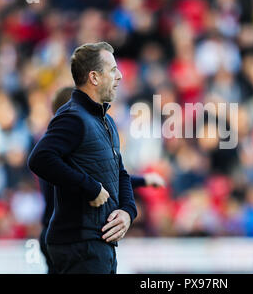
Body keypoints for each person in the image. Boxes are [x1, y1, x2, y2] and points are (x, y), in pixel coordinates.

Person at [28, 42, 137, 274]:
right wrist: (90, 187)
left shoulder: (106, 121)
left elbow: (121, 173)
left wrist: (128, 211)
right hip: (79, 245)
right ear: (94, 77)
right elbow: (40, 158)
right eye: (113, 70)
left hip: (98, 244)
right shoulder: (72, 117)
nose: (119, 76)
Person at [38, 86, 166, 274]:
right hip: (74, 237)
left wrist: (142, 181)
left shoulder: (54, 143)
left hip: (56, 233)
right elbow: (102, 179)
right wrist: (142, 181)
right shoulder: (71, 143)